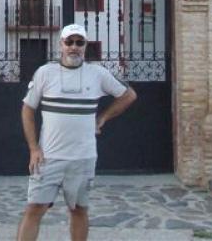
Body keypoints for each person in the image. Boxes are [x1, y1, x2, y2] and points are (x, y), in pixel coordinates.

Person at [16, 23, 137, 241]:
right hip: (48, 158)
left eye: (79, 42)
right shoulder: (45, 73)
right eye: (69, 42)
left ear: (85, 46)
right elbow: (27, 109)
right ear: (61, 44)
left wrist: (103, 118)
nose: (74, 47)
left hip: (82, 158)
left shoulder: (97, 74)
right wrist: (33, 148)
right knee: (34, 208)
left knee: (79, 210)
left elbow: (128, 95)